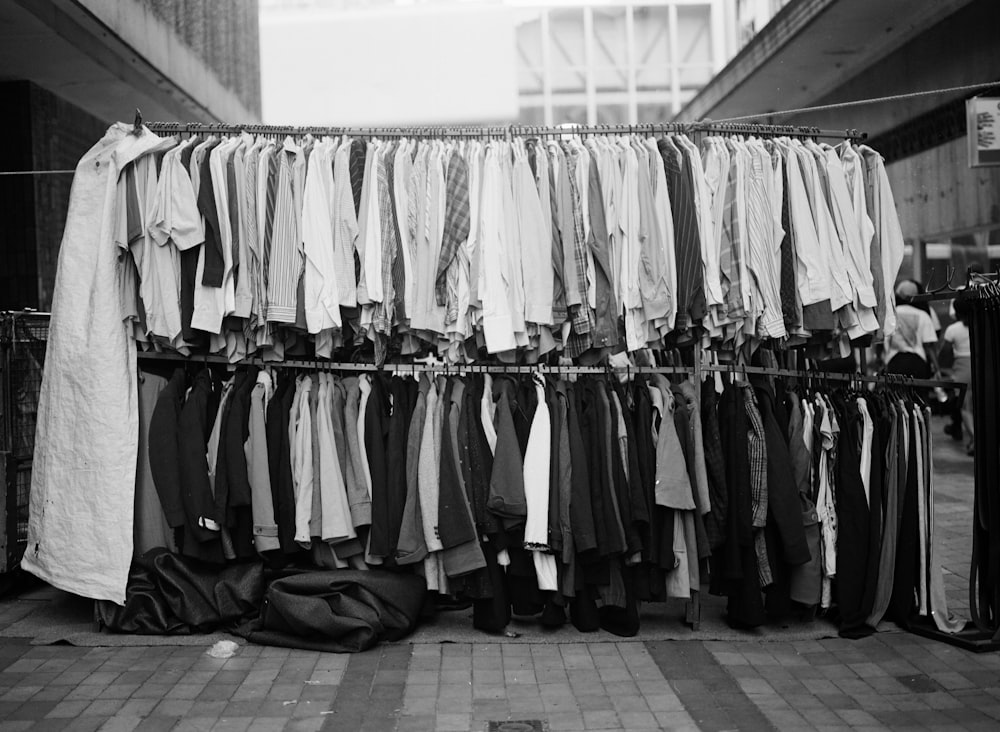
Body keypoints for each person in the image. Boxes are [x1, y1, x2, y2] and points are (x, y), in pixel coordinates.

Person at [883, 279, 940, 379]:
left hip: (895, 362)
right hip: (917, 363)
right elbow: (929, 346)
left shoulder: (890, 315)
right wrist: (937, 368)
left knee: (896, 394)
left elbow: (884, 341)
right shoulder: (923, 315)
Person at [943, 298, 975, 455]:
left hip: (962, 369)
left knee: (965, 407)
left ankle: (975, 439)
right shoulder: (982, 325)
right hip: (982, 366)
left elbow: (945, 353)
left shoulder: (952, 330)